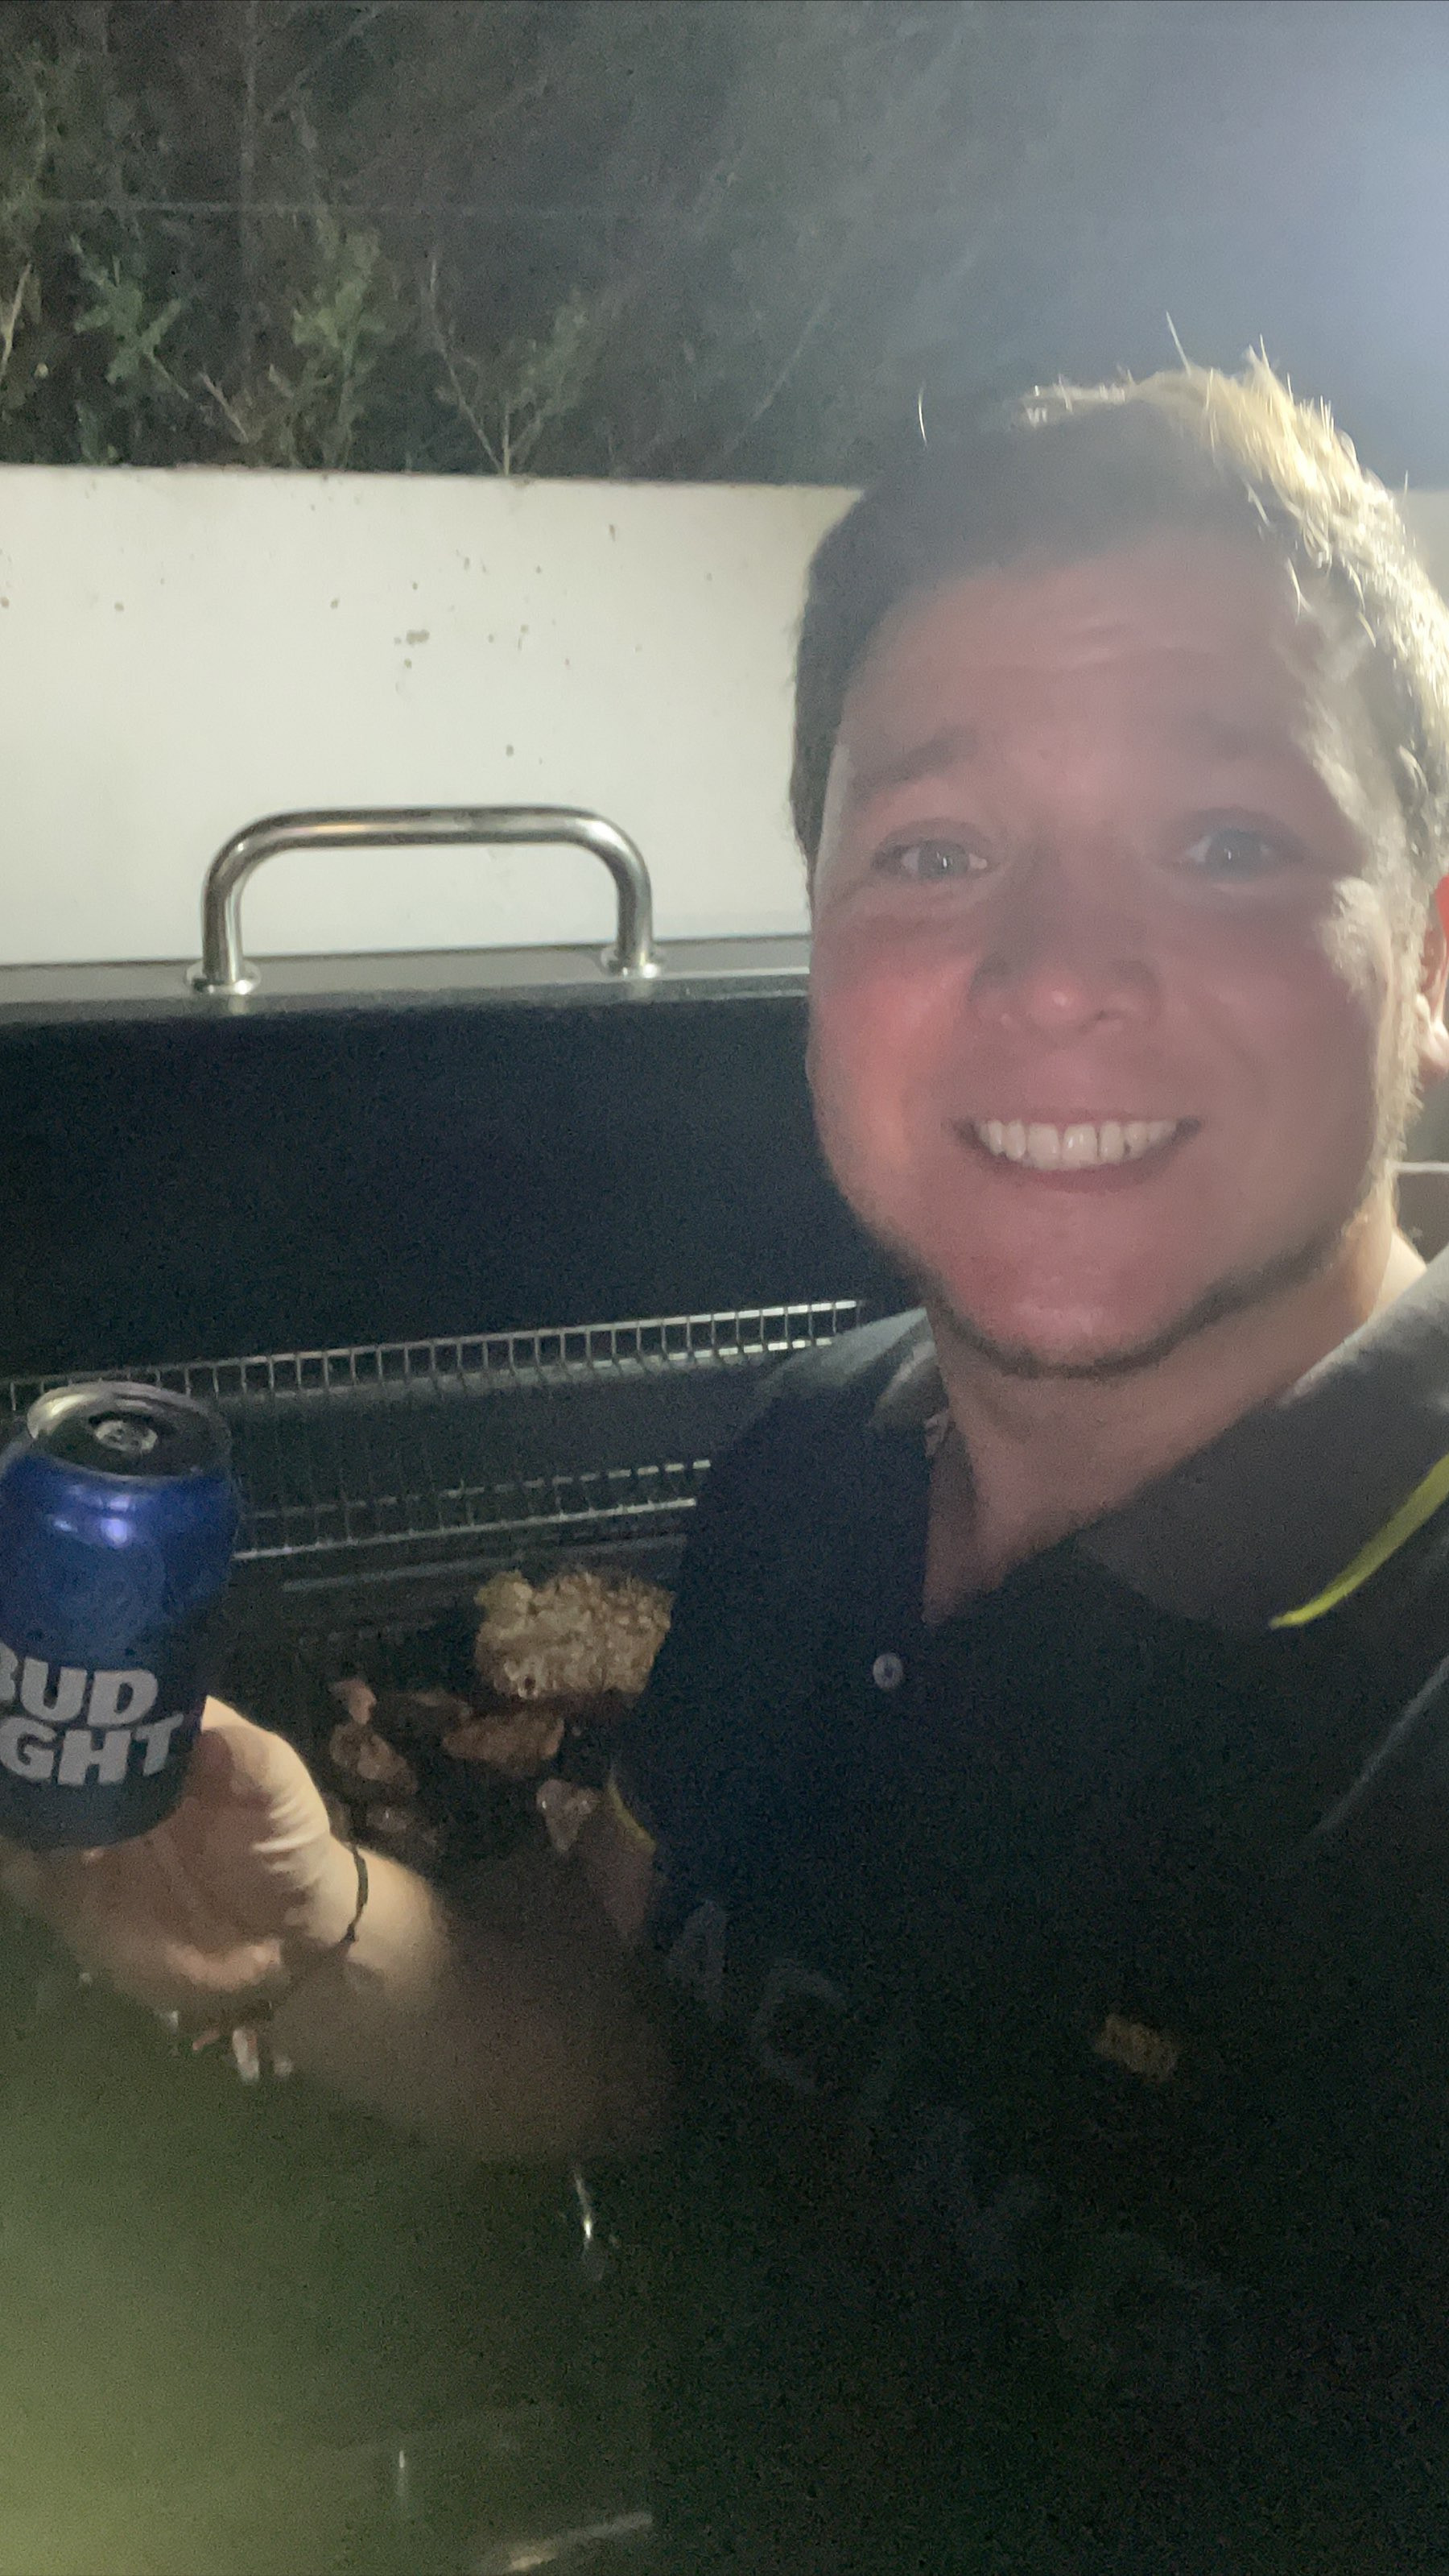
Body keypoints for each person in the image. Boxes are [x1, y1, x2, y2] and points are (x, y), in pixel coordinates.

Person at [10, 355, 1449, 2570]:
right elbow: (632, 2020)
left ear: (1428, 958)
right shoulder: (824, 1453)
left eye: (1228, 843)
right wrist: (324, 1930)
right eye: (937, 851)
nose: (1060, 971)